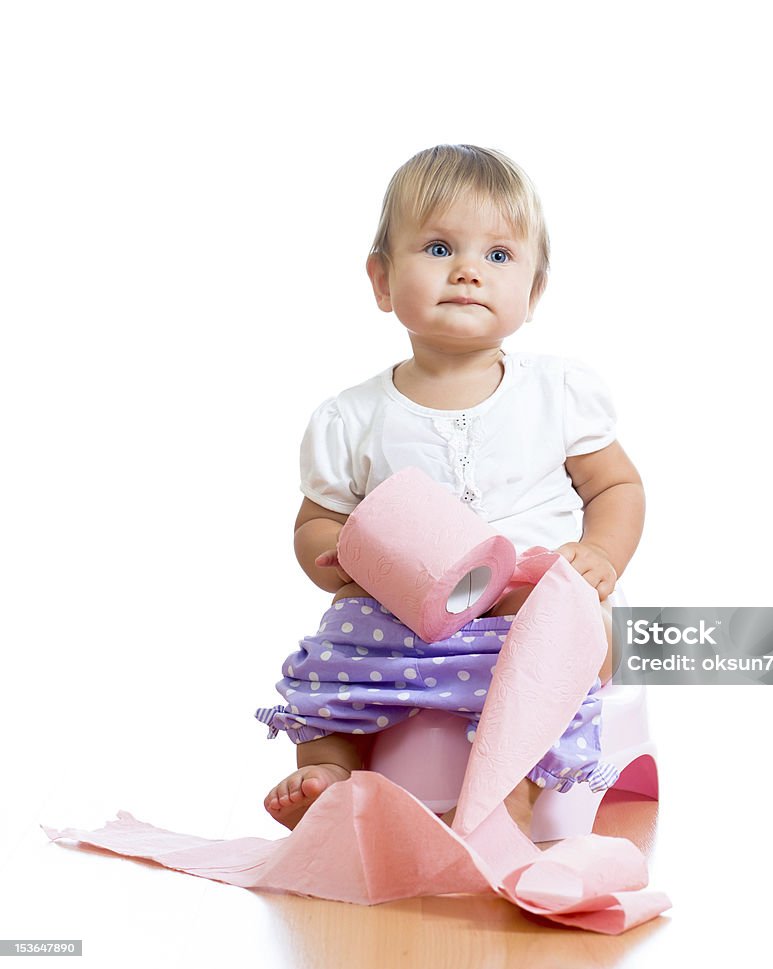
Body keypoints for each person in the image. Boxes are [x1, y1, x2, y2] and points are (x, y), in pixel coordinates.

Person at [257, 144, 645, 834]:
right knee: (335, 664)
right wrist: (342, 558)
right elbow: (314, 523)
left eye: (499, 256)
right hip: (397, 621)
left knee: (563, 649)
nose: (468, 270)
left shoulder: (560, 393)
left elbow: (614, 484)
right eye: (438, 247)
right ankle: (332, 768)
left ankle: (513, 795)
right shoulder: (352, 417)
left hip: (521, 615)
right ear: (381, 281)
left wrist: (599, 555)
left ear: (533, 292)